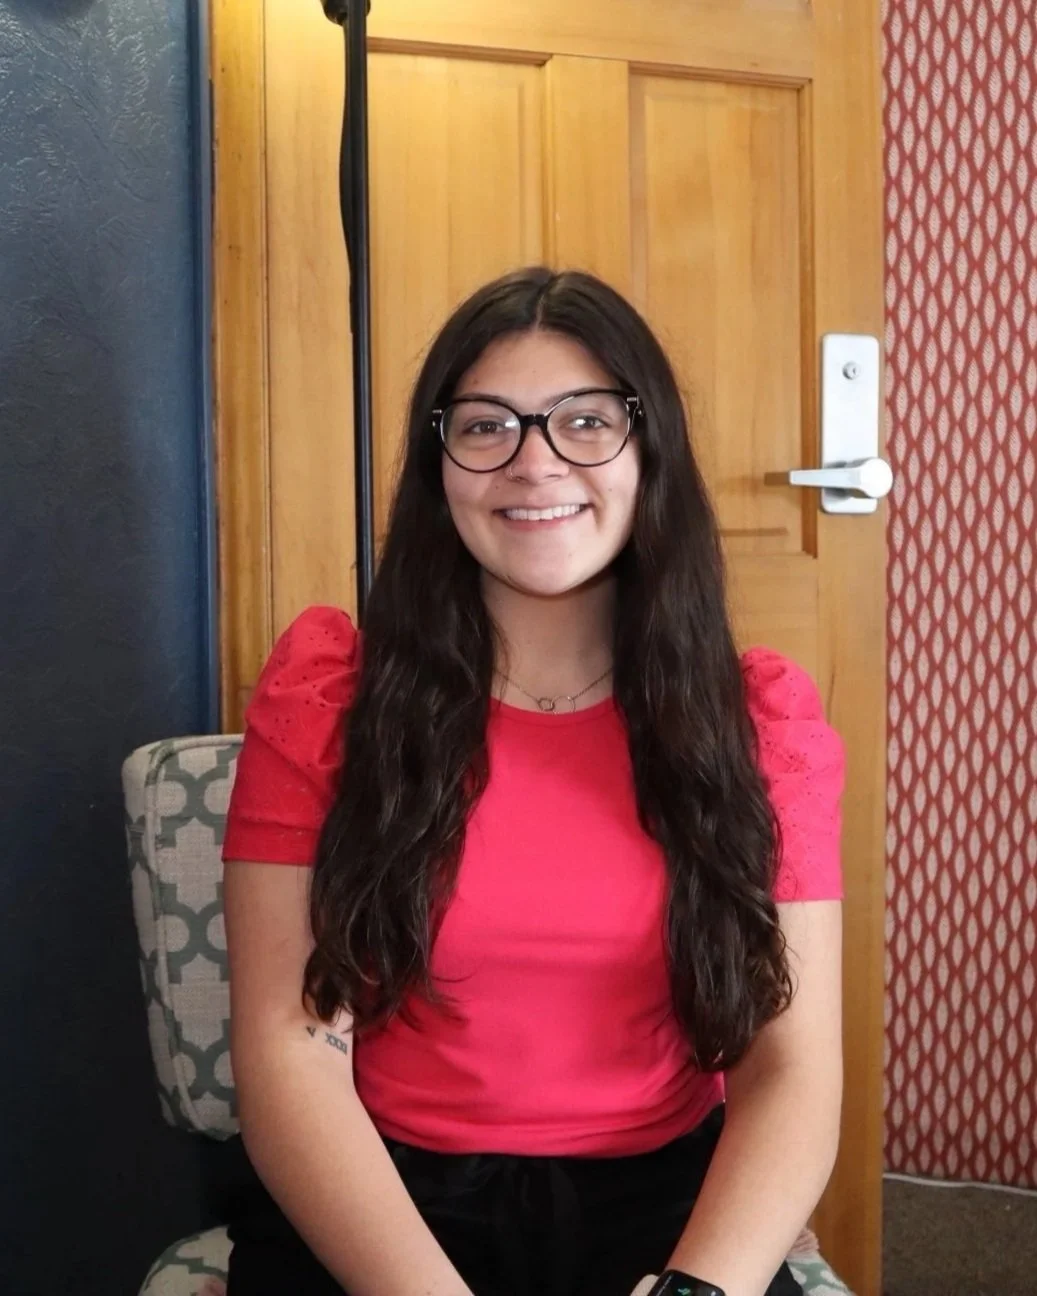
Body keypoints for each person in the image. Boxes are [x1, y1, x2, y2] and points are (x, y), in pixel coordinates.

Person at [221, 267, 845, 1296]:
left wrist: (697, 1288)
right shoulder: (324, 700)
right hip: (382, 1209)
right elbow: (290, 1050)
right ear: (438, 468)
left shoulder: (760, 728)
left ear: (649, 451)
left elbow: (793, 1066)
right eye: (485, 427)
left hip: (665, 1208)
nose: (534, 462)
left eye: (585, 421)